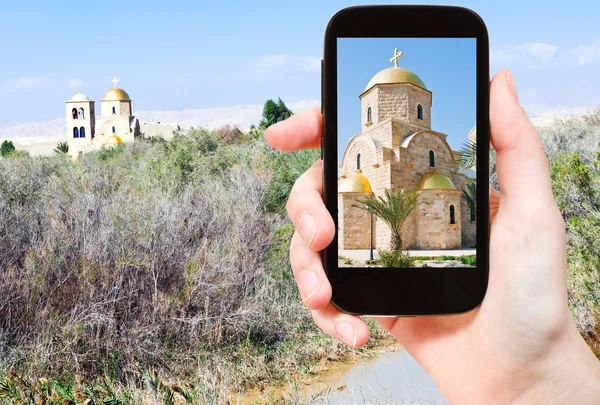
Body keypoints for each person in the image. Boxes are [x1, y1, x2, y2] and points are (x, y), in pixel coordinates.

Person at [265, 70, 600, 404]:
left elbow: (463, 185)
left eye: (420, 109)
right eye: (369, 110)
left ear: (422, 108)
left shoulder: (431, 146)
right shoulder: (362, 147)